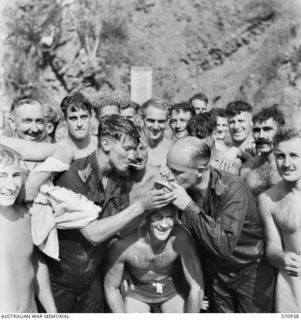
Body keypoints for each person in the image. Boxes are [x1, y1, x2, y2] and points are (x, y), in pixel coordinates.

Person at [49, 115, 176, 313]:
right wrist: (141, 206)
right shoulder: (73, 177)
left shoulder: (118, 178)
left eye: (135, 149)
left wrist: (152, 206)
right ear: (106, 143)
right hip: (60, 284)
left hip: (93, 281)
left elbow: (120, 231)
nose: (134, 156)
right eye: (127, 149)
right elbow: (92, 234)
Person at [166, 136, 274, 312]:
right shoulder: (184, 189)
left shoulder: (233, 187)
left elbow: (223, 245)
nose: (170, 176)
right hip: (216, 274)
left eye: (177, 172)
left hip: (249, 272)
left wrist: (188, 206)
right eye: (168, 168)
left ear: (200, 170)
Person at [104, 204, 204, 313]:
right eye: (158, 217)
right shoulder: (123, 244)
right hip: (136, 289)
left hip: (171, 286)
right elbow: (111, 287)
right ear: (145, 218)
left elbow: (197, 288)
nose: (164, 225)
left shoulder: (180, 238)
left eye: (169, 217)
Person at [0, 146, 57, 313]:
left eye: (16, 175)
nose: (11, 186)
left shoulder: (26, 216)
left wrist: (52, 311)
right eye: (1, 176)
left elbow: (34, 263)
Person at [258, 128, 301, 313]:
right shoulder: (268, 199)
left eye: (294, 155)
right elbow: (272, 248)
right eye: (281, 156)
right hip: (291, 287)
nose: (287, 163)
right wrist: (282, 258)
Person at [240, 105, 285, 196]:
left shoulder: (293, 166)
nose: (261, 135)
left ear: (280, 131)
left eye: (267, 129)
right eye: (256, 130)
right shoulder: (246, 169)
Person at [58, 92, 98, 159]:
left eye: (83, 117)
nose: (79, 124)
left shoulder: (101, 146)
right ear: (65, 120)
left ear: (91, 116)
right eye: (73, 118)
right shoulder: (57, 152)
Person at [141, 98, 173, 167]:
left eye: (161, 121)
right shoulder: (132, 147)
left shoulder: (174, 149)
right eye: (151, 121)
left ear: (167, 122)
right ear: (142, 119)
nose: (155, 127)